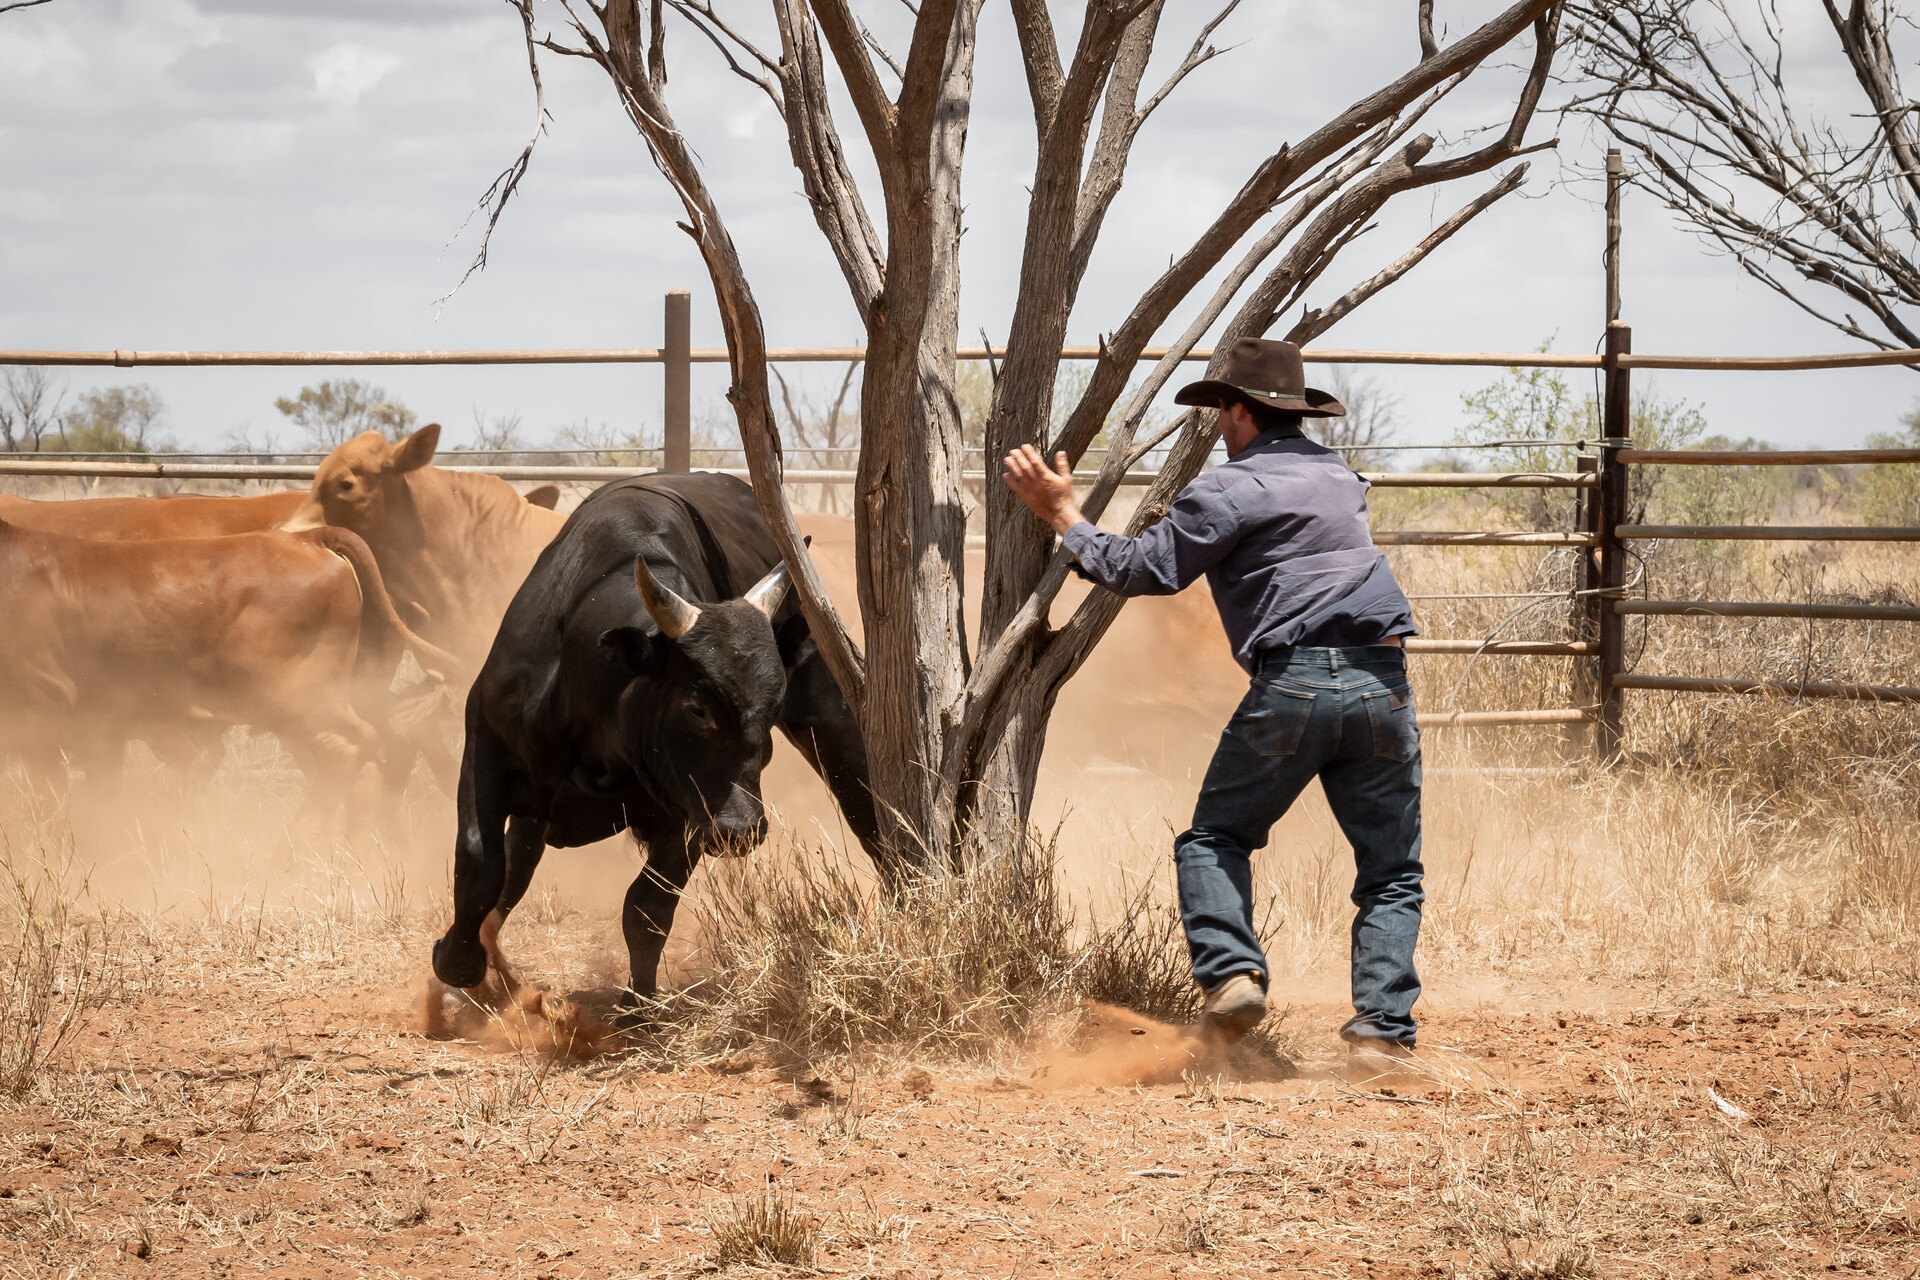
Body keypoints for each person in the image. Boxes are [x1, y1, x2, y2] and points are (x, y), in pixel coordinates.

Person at [1001, 338, 1425, 1072]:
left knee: (1214, 840)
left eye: (1220, 410)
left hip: (1295, 680)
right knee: (1391, 872)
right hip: (1382, 680)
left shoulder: (1227, 490)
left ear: (1239, 411)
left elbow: (1147, 569)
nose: (1216, 426)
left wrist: (1063, 515)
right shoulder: (1339, 476)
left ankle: (1233, 976)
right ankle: (1382, 1035)